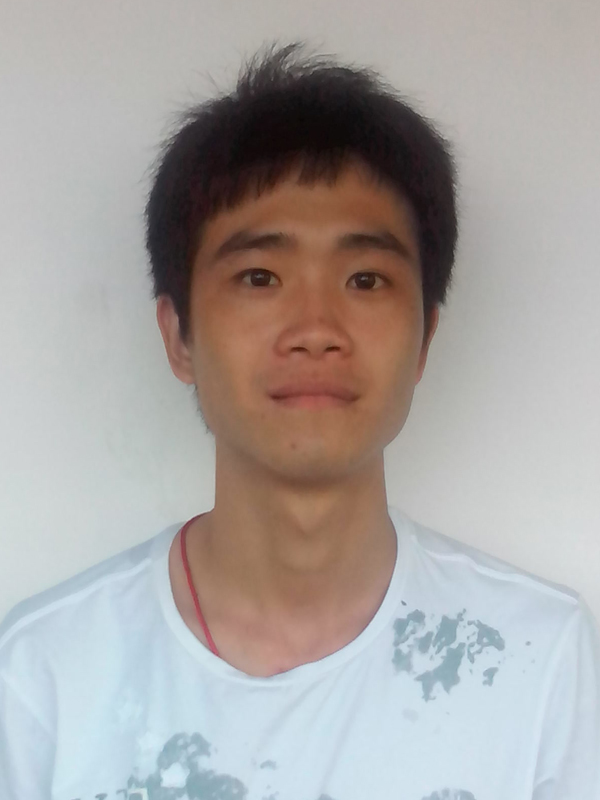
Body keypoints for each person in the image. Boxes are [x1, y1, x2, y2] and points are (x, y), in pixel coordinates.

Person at [0, 40, 598, 800]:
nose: (316, 329)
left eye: (365, 279)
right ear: (179, 337)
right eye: (260, 276)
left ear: (424, 339)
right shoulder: (47, 674)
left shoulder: (533, 658)